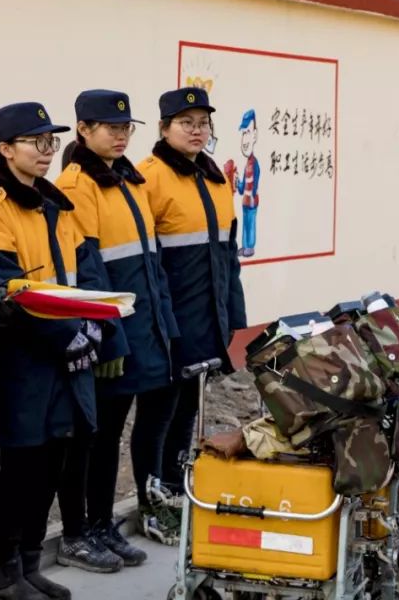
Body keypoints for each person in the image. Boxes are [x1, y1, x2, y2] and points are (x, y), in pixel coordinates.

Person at [0, 102, 104, 600]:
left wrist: (93, 325)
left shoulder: (55, 205)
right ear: (5, 149)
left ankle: (29, 560)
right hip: (25, 359)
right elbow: (9, 287)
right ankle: (3, 571)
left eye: (52, 142)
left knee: (57, 459)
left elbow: (85, 274)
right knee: (21, 465)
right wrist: (64, 333)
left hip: (71, 356)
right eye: (36, 142)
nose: (48, 151)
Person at [54, 90, 178, 569]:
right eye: (110, 127)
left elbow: (150, 266)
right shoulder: (76, 185)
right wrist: (108, 340)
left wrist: (163, 326)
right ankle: (79, 532)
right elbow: (91, 275)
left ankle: (102, 524)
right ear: (83, 130)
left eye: (126, 127)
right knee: (94, 438)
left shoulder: (130, 181)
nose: (121, 135)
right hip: (111, 337)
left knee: (110, 434)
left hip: (141, 331)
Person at [138, 87, 246, 542]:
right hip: (169, 319)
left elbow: (227, 255)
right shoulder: (148, 177)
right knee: (158, 410)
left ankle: (176, 489)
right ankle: (150, 500)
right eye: (186, 122)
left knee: (187, 408)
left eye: (203, 122)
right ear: (164, 129)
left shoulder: (215, 179)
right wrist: (157, 321)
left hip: (206, 317)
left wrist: (232, 315)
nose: (197, 129)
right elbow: (146, 262)